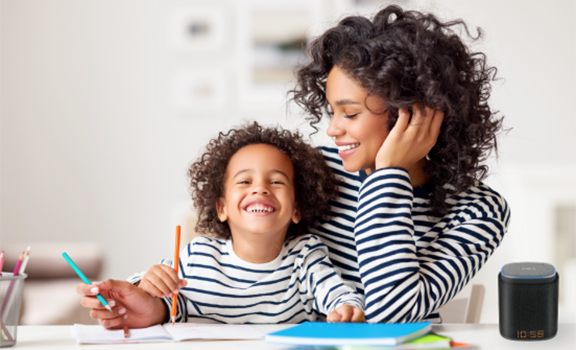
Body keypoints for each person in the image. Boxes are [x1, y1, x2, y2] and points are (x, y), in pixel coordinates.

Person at [288, 5, 510, 323]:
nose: (332, 129)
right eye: (332, 111)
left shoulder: (478, 211)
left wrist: (388, 174)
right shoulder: (311, 172)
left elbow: (394, 313)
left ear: (410, 111)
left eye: (349, 114)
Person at [77, 123, 364, 328]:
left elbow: (337, 293)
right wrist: (143, 284)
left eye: (276, 181)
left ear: (298, 208)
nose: (260, 189)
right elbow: (151, 293)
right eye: (244, 181)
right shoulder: (200, 255)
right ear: (222, 207)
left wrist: (346, 309)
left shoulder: (306, 256)